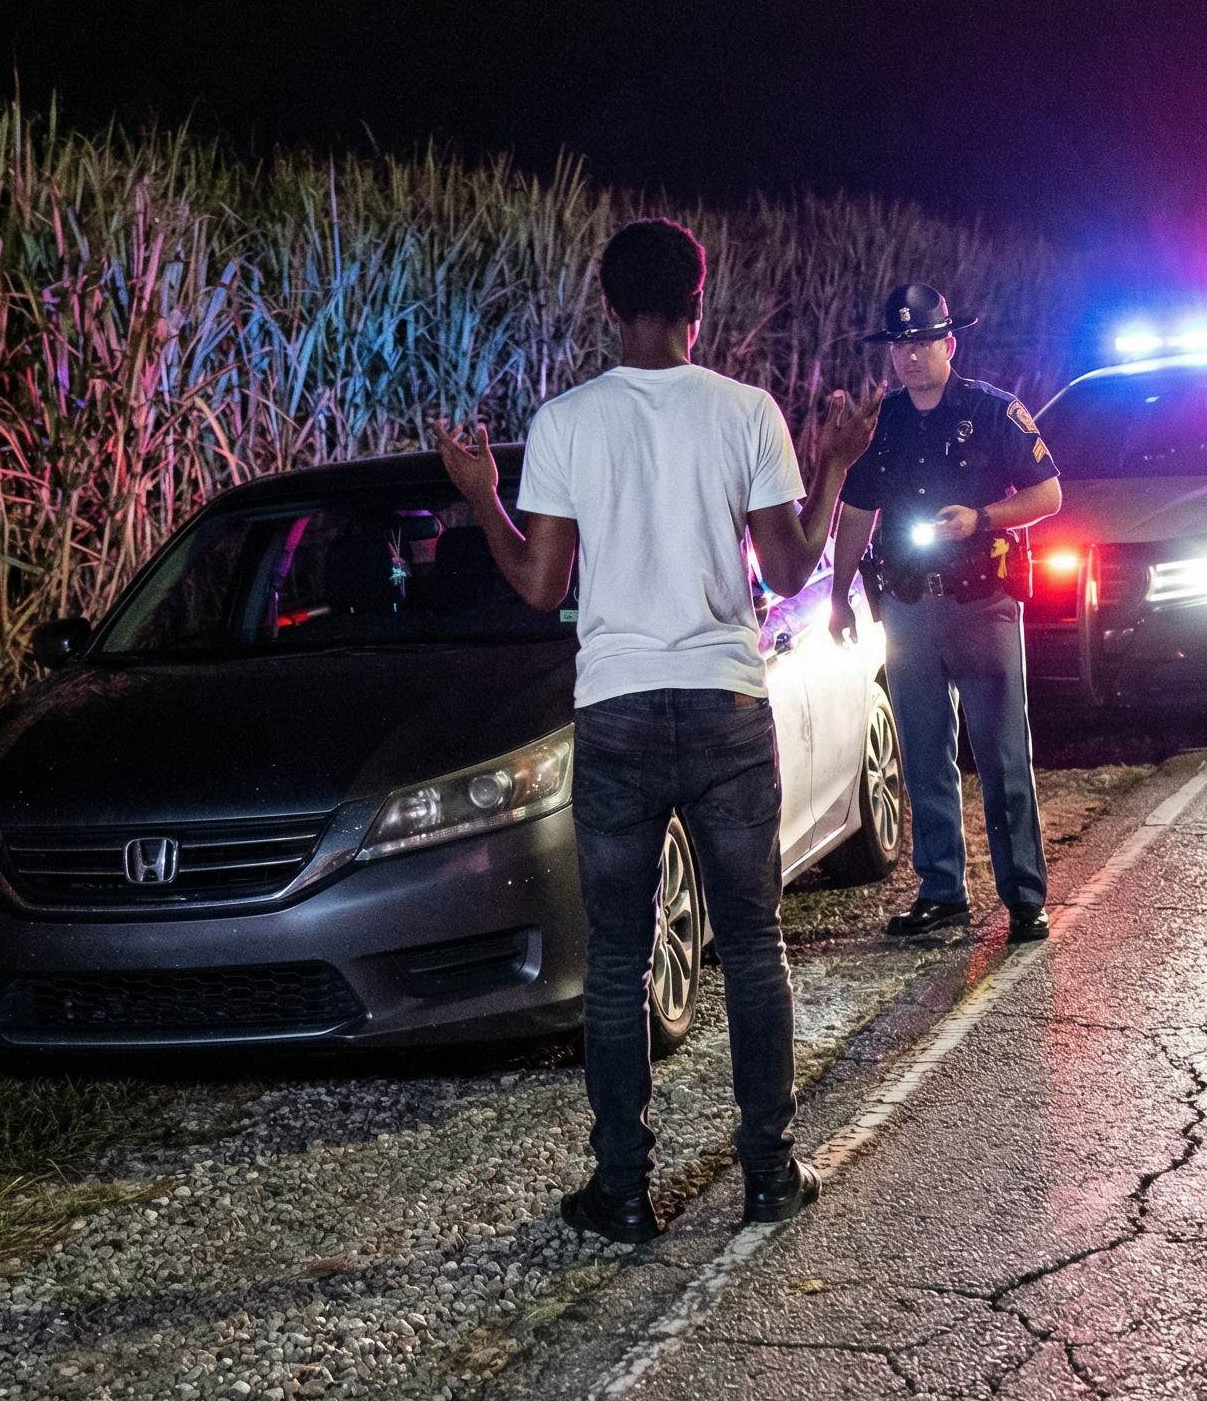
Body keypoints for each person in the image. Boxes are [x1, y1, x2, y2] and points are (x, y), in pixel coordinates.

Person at [434, 217, 882, 1245]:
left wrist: (482, 499)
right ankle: (768, 1171)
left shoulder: (565, 422)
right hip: (725, 703)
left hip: (619, 712)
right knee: (755, 945)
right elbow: (783, 569)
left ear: (605, 302)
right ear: (699, 300)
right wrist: (834, 468)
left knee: (619, 962)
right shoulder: (745, 412)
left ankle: (622, 1192)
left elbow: (540, 583)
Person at [830, 281, 1062, 944]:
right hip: (905, 605)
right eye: (899, 345)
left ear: (948, 343)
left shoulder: (994, 411)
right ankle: (942, 892)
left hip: (980, 603)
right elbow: (854, 510)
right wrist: (838, 594)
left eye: (922, 342)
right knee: (924, 757)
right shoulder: (884, 422)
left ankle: (1023, 897)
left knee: (1001, 756)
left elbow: (1049, 492)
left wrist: (982, 518)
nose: (908, 357)